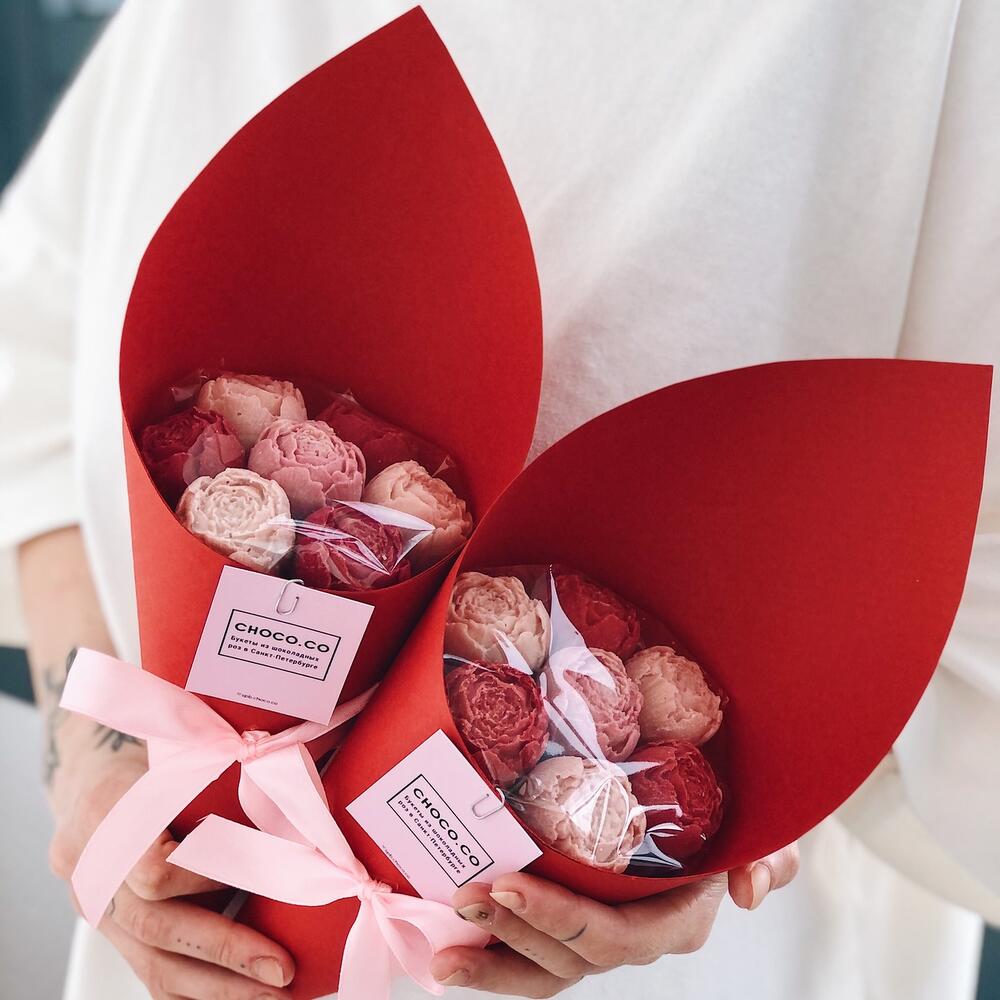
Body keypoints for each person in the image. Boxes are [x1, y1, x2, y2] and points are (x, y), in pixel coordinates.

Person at [2, 2, 998, 998]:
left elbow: (943, 583)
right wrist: (96, 758)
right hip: (172, 893)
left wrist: (722, 833)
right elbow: (36, 360)